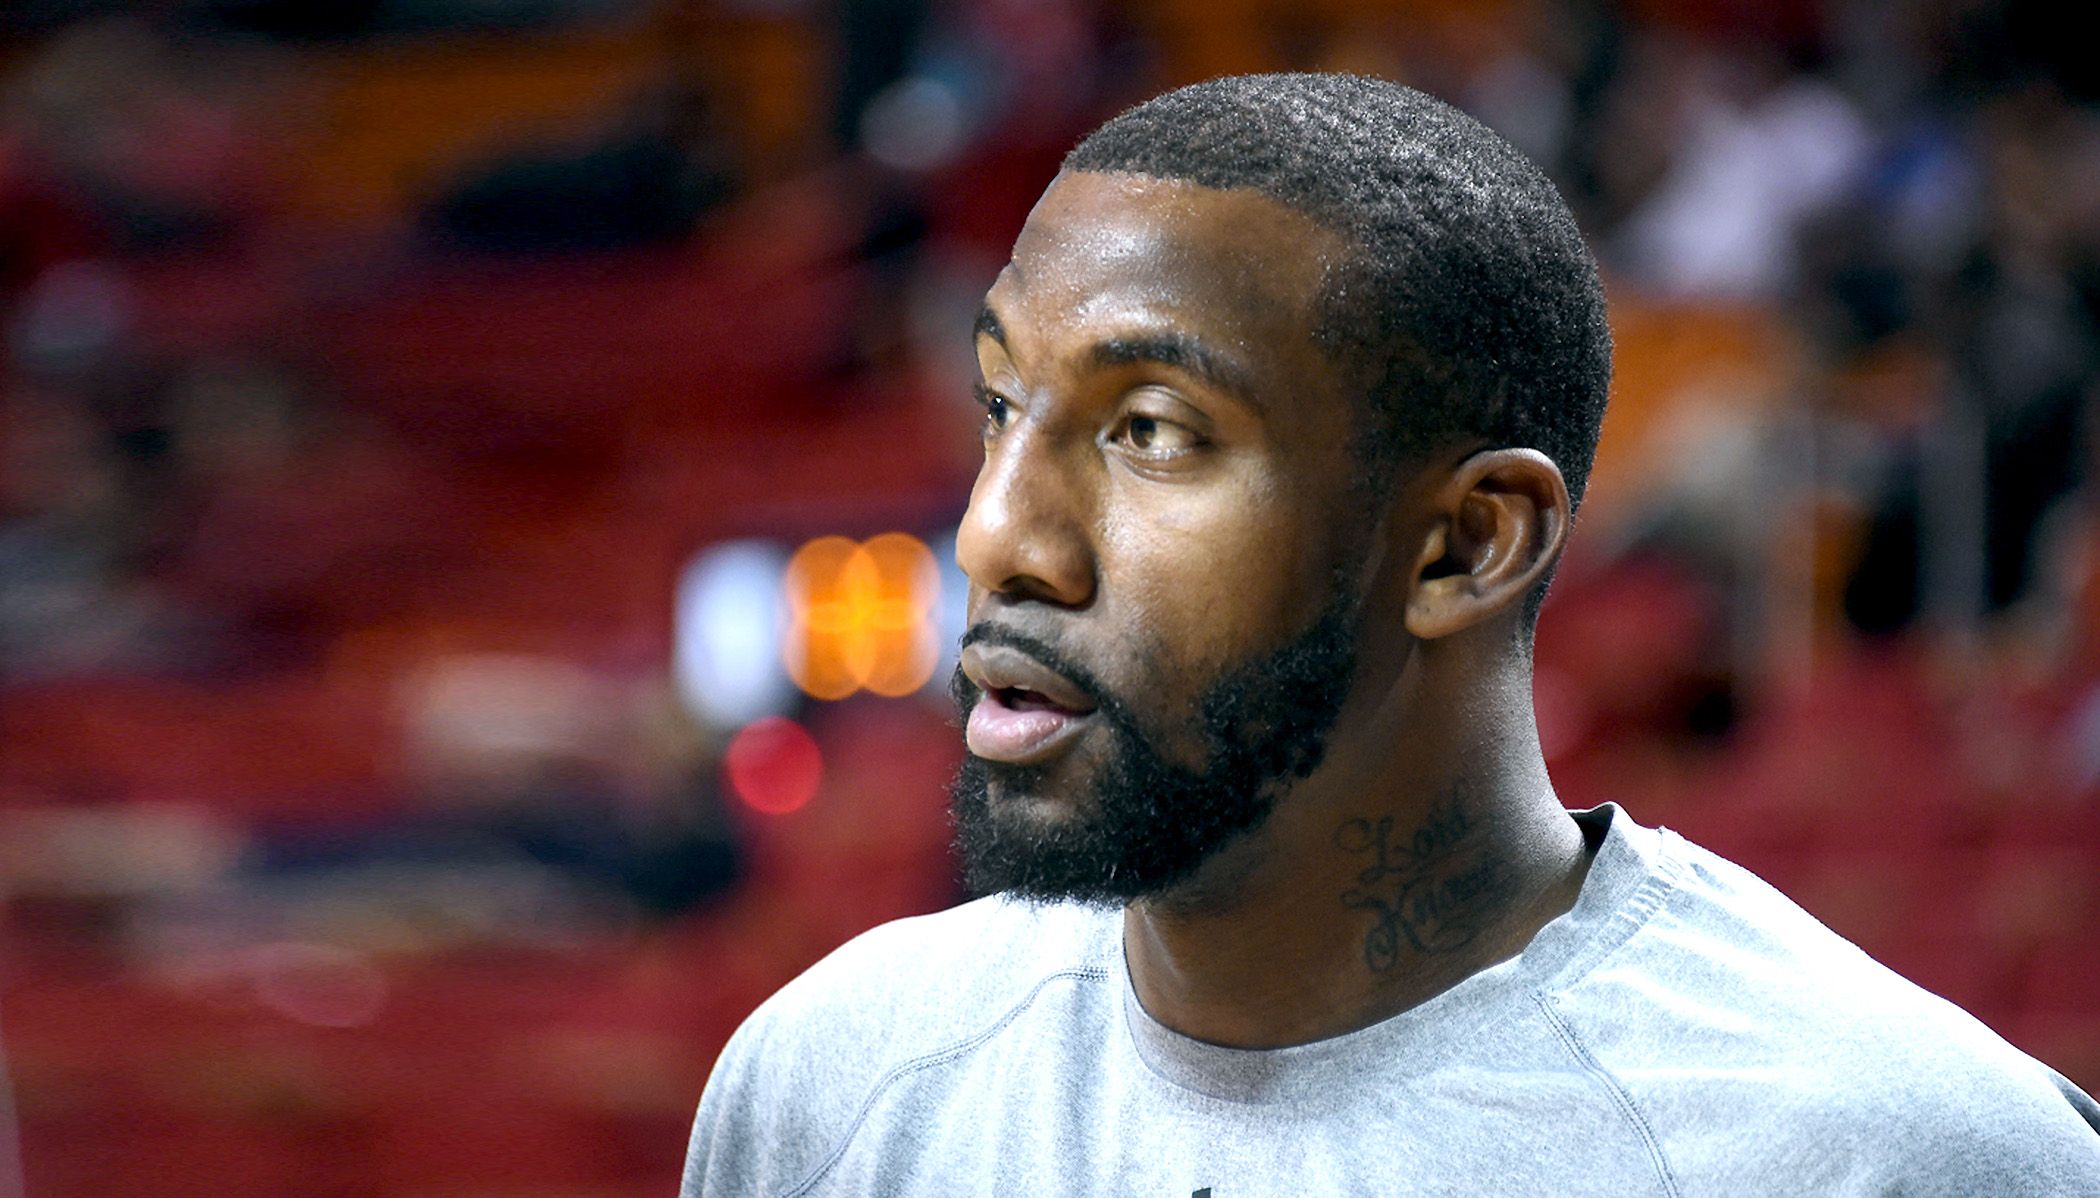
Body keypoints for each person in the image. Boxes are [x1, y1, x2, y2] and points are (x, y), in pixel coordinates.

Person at [682, 73, 2100, 1195]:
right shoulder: (826, 1088)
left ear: (1468, 544)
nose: (995, 534)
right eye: (1002, 406)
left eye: (1153, 429)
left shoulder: (1895, 1156)